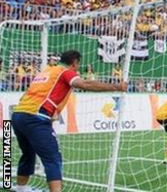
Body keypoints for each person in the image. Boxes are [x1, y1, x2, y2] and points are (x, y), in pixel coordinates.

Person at [12, 50, 127, 192]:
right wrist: (116, 86)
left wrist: (53, 111)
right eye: (78, 64)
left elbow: (31, 93)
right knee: (53, 158)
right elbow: (85, 84)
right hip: (35, 118)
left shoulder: (46, 71)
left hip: (18, 115)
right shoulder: (66, 72)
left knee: (28, 154)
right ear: (74, 63)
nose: (78, 68)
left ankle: (21, 188)